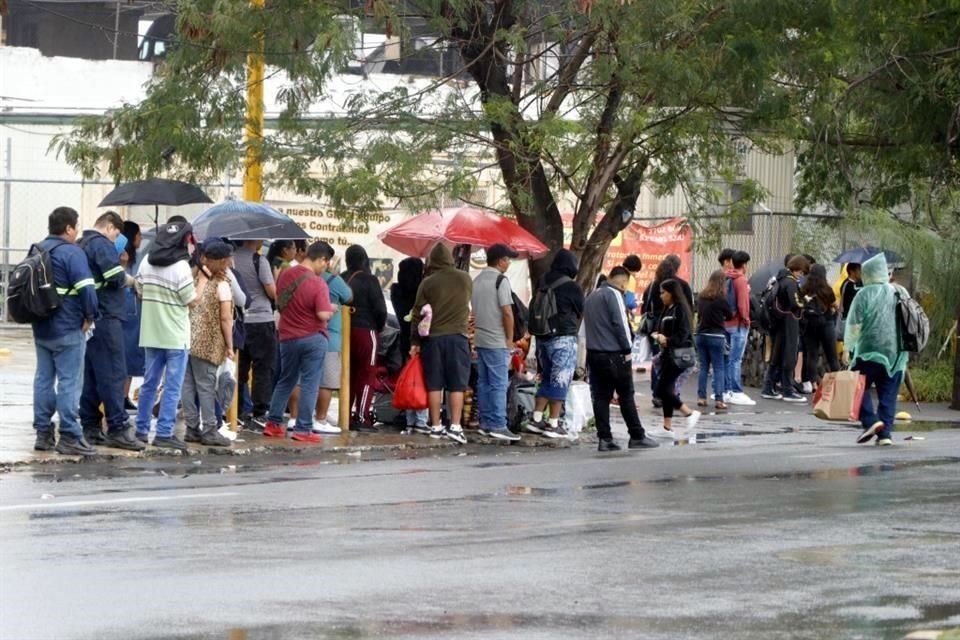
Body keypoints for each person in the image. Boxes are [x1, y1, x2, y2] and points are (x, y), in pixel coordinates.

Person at [30, 207, 99, 456]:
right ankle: (69, 434)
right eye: (76, 226)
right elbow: (87, 289)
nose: (77, 231)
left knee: (43, 379)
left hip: (41, 327)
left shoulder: (37, 249)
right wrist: (90, 316)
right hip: (68, 326)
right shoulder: (72, 252)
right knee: (70, 381)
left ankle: (43, 433)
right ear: (68, 228)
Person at [78, 211, 144, 451]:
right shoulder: (102, 244)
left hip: (91, 318)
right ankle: (118, 427)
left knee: (93, 374)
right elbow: (114, 277)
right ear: (110, 228)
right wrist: (129, 279)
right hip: (107, 315)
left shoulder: (81, 243)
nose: (117, 238)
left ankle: (91, 425)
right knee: (114, 372)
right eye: (117, 233)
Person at [135, 219, 199, 451]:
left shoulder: (146, 261)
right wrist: (200, 281)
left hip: (151, 333)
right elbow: (191, 301)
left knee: (149, 384)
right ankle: (164, 433)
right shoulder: (181, 267)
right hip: (175, 337)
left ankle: (141, 430)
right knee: (172, 386)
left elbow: (139, 289)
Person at [263, 242, 337, 442]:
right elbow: (322, 313)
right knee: (310, 383)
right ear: (321, 259)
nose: (326, 267)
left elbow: (279, 301)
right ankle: (303, 428)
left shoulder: (286, 273)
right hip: (313, 337)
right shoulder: (318, 283)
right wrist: (332, 309)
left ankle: (273, 423)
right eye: (326, 263)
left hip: (287, 338)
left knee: (286, 380)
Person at [583, 266, 659, 452]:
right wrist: (627, 349)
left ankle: (605, 438)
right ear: (623, 282)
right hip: (614, 353)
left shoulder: (592, 296)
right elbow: (621, 324)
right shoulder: (614, 295)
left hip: (594, 353)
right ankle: (636, 435)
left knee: (600, 397)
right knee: (626, 395)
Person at [409, 243, 473, 444]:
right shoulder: (465, 279)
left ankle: (435, 425)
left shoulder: (427, 283)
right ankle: (455, 426)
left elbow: (417, 314)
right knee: (457, 384)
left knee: (434, 384)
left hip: (433, 339)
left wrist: (415, 341)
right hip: (458, 338)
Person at [845, 254, 908, 446]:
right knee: (888, 392)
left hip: (868, 350)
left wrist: (848, 349)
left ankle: (871, 421)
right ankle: (885, 435)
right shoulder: (900, 292)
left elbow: (854, 325)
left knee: (858, 387)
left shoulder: (864, 294)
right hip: (896, 352)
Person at [524, 249, 585, 439]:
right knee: (560, 380)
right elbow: (580, 311)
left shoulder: (543, 280)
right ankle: (553, 423)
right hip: (563, 339)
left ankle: (536, 419)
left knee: (547, 377)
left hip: (542, 338)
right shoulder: (571, 286)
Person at [181, 241, 235, 447]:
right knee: (206, 387)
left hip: (186, 339)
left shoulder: (194, 278)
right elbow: (225, 319)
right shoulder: (222, 284)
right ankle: (210, 429)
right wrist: (229, 345)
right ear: (223, 261)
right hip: (208, 342)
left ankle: (191, 429)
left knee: (188, 386)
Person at [471, 244, 522, 442]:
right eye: (508, 259)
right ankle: (498, 424)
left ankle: (485, 422)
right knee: (499, 384)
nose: (509, 263)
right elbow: (507, 312)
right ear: (501, 260)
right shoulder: (501, 281)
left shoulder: (477, 280)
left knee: (483, 382)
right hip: (496, 339)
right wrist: (509, 340)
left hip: (481, 338)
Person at [342, 245, 388, 432]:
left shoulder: (342, 278)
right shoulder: (370, 280)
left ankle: (345, 416)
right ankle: (362, 417)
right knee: (367, 375)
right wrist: (379, 327)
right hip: (366, 331)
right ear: (364, 260)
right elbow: (381, 310)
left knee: (349, 374)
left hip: (345, 331)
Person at [234, 240, 277, 431]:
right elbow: (272, 291)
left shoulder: (231, 258)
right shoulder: (260, 261)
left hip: (240, 321)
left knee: (239, 369)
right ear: (254, 239)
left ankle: (238, 410)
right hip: (261, 320)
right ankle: (260, 413)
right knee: (262, 369)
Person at [651, 279, 701, 432]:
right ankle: (667, 427)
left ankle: (689, 412)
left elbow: (684, 333)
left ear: (672, 293)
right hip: (667, 354)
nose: (661, 296)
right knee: (667, 390)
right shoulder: (668, 309)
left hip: (679, 355)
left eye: (663, 292)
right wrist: (658, 335)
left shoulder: (680, 309)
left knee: (662, 389)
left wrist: (667, 340)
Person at [643, 255, 693, 405]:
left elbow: (645, 307)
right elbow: (689, 307)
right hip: (676, 329)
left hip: (656, 330)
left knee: (658, 360)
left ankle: (657, 393)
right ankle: (672, 392)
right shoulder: (682, 285)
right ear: (676, 268)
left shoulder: (653, 285)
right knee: (675, 361)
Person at [760, 254, 809, 402]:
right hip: (789, 322)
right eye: (801, 272)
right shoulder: (790, 282)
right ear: (797, 269)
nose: (801, 275)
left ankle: (768, 387)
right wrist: (804, 302)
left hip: (779, 322)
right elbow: (795, 304)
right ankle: (788, 390)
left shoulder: (779, 279)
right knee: (789, 355)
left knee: (777, 355)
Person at [313, 244, 350, 434]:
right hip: (331, 336)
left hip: (307, 334)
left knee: (305, 378)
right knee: (327, 381)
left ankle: (299, 416)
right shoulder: (334, 280)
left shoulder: (304, 277)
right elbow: (349, 296)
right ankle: (320, 417)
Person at [390, 257, 429, 433]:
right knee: (422, 379)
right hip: (421, 338)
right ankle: (421, 418)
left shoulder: (396, 290)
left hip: (404, 339)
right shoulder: (422, 290)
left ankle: (409, 417)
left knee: (409, 378)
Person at [696, 270, 733, 411]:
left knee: (703, 367)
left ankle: (701, 397)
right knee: (718, 368)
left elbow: (699, 314)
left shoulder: (702, 297)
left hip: (700, 335)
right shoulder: (721, 299)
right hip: (716, 336)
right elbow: (729, 315)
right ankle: (719, 400)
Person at [723, 250, 756, 406]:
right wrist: (746, 320)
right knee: (736, 359)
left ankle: (725, 390)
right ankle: (736, 390)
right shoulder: (741, 280)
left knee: (727, 358)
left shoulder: (726, 277)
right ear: (744, 264)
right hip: (738, 324)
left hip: (726, 323)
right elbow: (743, 304)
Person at [800, 263, 840, 391]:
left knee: (812, 355)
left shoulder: (804, 288)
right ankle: (836, 383)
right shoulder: (826, 289)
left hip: (810, 325)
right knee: (831, 356)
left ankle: (812, 384)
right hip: (826, 324)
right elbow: (836, 305)